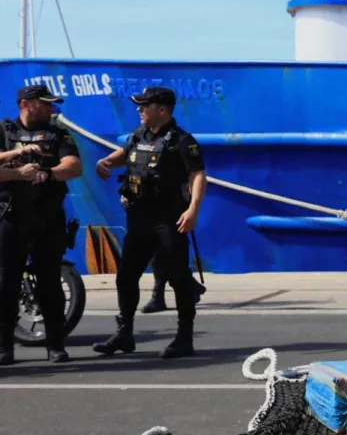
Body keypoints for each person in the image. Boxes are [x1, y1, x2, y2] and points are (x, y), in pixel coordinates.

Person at [92, 86, 207, 359]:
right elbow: (127, 153)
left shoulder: (181, 140)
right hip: (139, 218)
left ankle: (184, 337)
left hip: (169, 219)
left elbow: (198, 175)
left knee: (178, 277)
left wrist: (193, 210)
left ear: (162, 109)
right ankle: (124, 334)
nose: (139, 109)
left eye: (145, 105)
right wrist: (107, 161)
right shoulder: (138, 135)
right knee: (126, 276)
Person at [0, 84, 82, 364]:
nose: (50, 108)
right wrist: (19, 175)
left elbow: (73, 166)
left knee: (50, 283)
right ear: (25, 104)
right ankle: (4, 347)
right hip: (10, 217)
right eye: (45, 103)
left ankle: (55, 344)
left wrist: (47, 174)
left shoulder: (58, 134)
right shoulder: (4, 132)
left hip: (47, 218)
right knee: (5, 283)